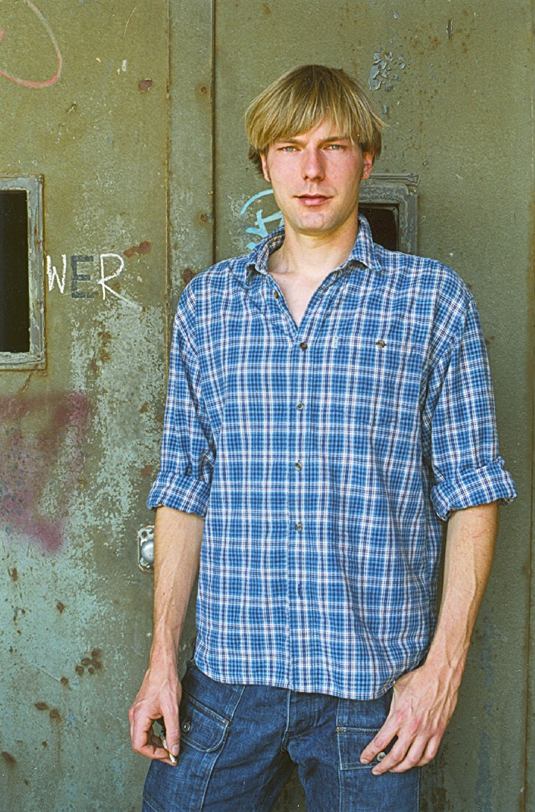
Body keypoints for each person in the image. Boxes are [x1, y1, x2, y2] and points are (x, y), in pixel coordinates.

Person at [129, 64, 516, 811]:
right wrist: (161, 662)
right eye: (289, 147)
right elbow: (183, 485)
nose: (311, 170)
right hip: (227, 683)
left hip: (372, 690)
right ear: (264, 163)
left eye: (333, 146)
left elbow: (472, 489)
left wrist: (443, 670)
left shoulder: (432, 300)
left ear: (365, 161)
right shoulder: (209, 305)